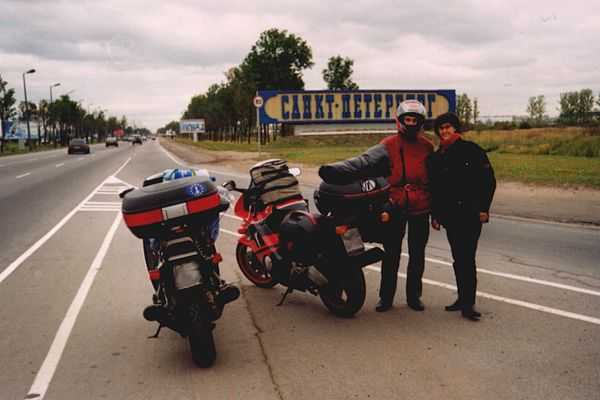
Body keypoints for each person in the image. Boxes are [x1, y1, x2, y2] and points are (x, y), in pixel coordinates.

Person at [319, 100, 434, 312]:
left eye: (415, 120)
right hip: (394, 206)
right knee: (392, 254)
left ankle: (414, 296)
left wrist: (436, 210)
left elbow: (435, 178)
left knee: (418, 255)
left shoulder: (427, 146)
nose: (411, 123)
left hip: (421, 207)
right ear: (399, 121)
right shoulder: (388, 145)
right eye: (407, 119)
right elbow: (362, 162)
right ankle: (386, 297)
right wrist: (334, 170)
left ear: (421, 122)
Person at [427, 112, 496, 321]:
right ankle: (462, 298)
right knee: (459, 258)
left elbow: (488, 181)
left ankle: (469, 304)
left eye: (448, 127)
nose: (444, 131)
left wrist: (484, 208)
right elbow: (435, 189)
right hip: (450, 217)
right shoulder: (436, 157)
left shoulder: (471, 150)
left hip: (471, 214)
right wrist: (436, 216)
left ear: (456, 129)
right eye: (441, 128)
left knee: (467, 258)